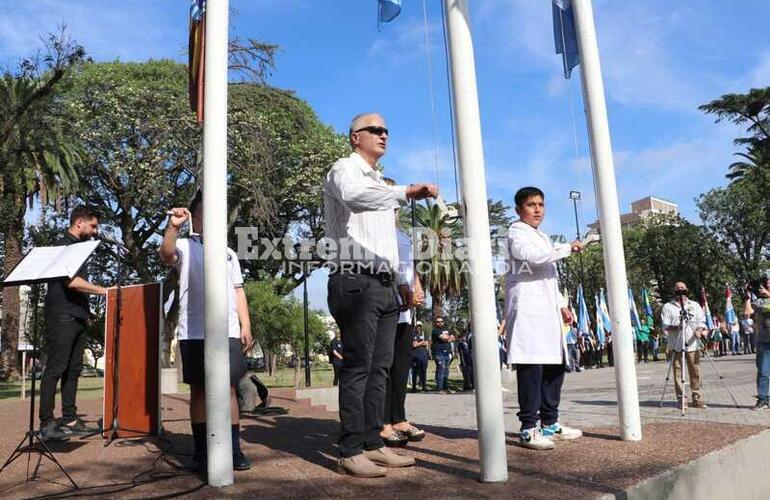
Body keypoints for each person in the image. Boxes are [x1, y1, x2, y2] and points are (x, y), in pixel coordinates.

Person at [323, 112, 437, 478]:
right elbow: (353, 197)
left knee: (380, 369)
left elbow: (385, 242)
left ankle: (374, 442)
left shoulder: (379, 184)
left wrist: (402, 281)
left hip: (385, 284)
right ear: (355, 137)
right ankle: (350, 448)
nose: (384, 134)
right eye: (375, 129)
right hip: (354, 279)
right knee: (358, 367)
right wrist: (404, 191)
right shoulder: (344, 168)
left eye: (387, 129)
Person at [160, 193, 253, 472]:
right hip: (195, 331)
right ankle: (201, 453)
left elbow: (238, 289)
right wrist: (173, 228)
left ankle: (233, 450)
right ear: (195, 217)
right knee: (199, 391)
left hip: (228, 331)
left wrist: (245, 325)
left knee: (230, 389)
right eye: (208, 213)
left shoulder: (229, 252)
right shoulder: (186, 246)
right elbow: (166, 255)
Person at [504, 186, 584, 450]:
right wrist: (567, 248)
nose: (537, 210)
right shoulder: (516, 232)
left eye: (540, 204)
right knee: (532, 367)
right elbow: (532, 257)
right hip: (528, 309)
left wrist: (562, 304)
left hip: (548, 310)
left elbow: (551, 277)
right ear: (519, 209)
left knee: (554, 366)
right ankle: (528, 428)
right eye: (531, 205)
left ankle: (550, 422)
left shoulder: (544, 236)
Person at [39, 206, 107, 442]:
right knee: (56, 368)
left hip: (78, 315)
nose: (95, 230)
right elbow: (71, 282)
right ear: (80, 222)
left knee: (74, 370)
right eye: (93, 226)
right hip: (61, 315)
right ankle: (46, 423)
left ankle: (69, 418)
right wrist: (105, 291)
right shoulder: (62, 245)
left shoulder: (79, 248)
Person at [381, 199, 426, 447]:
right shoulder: (376, 235)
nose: (394, 211)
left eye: (396, 207)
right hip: (386, 307)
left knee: (400, 368)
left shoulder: (403, 236)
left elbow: (409, 267)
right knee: (384, 369)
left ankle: (399, 418)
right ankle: (382, 422)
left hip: (405, 313)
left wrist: (417, 285)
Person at [661, 282, 708, 409]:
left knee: (695, 371)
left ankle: (697, 397)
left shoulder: (694, 305)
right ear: (674, 291)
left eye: (682, 288)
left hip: (692, 344)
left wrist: (698, 330)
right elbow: (665, 325)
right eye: (677, 288)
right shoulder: (668, 306)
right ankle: (682, 399)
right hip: (676, 344)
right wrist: (676, 326)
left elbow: (702, 321)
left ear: (686, 289)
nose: (680, 290)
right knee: (678, 372)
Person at [747, 277, 770, 410]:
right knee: (763, 371)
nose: (767, 285)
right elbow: (747, 312)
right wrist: (747, 297)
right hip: (764, 341)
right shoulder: (760, 301)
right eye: (766, 284)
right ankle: (763, 399)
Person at [431, 317, 454, 392]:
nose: (440, 323)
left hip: (447, 352)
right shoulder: (435, 331)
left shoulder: (447, 330)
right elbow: (444, 338)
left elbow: (452, 338)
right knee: (441, 370)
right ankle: (440, 388)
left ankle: (445, 388)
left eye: (441, 321)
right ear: (435, 323)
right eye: (438, 322)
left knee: (446, 371)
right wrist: (448, 338)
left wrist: (448, 338)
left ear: (443, 322)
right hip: (439, 353)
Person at [411, 322, 429, 392]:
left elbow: (427, 343)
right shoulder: (413, 334)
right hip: (415, 355)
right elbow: (414, 345)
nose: (419, 327)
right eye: (417, 326)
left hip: (424, 355)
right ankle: (414, 387)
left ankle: (424, 386)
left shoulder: (424, 334)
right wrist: (422, 342)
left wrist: (419, 343)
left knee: (423, 371)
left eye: (420, 326)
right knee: (415, 372)